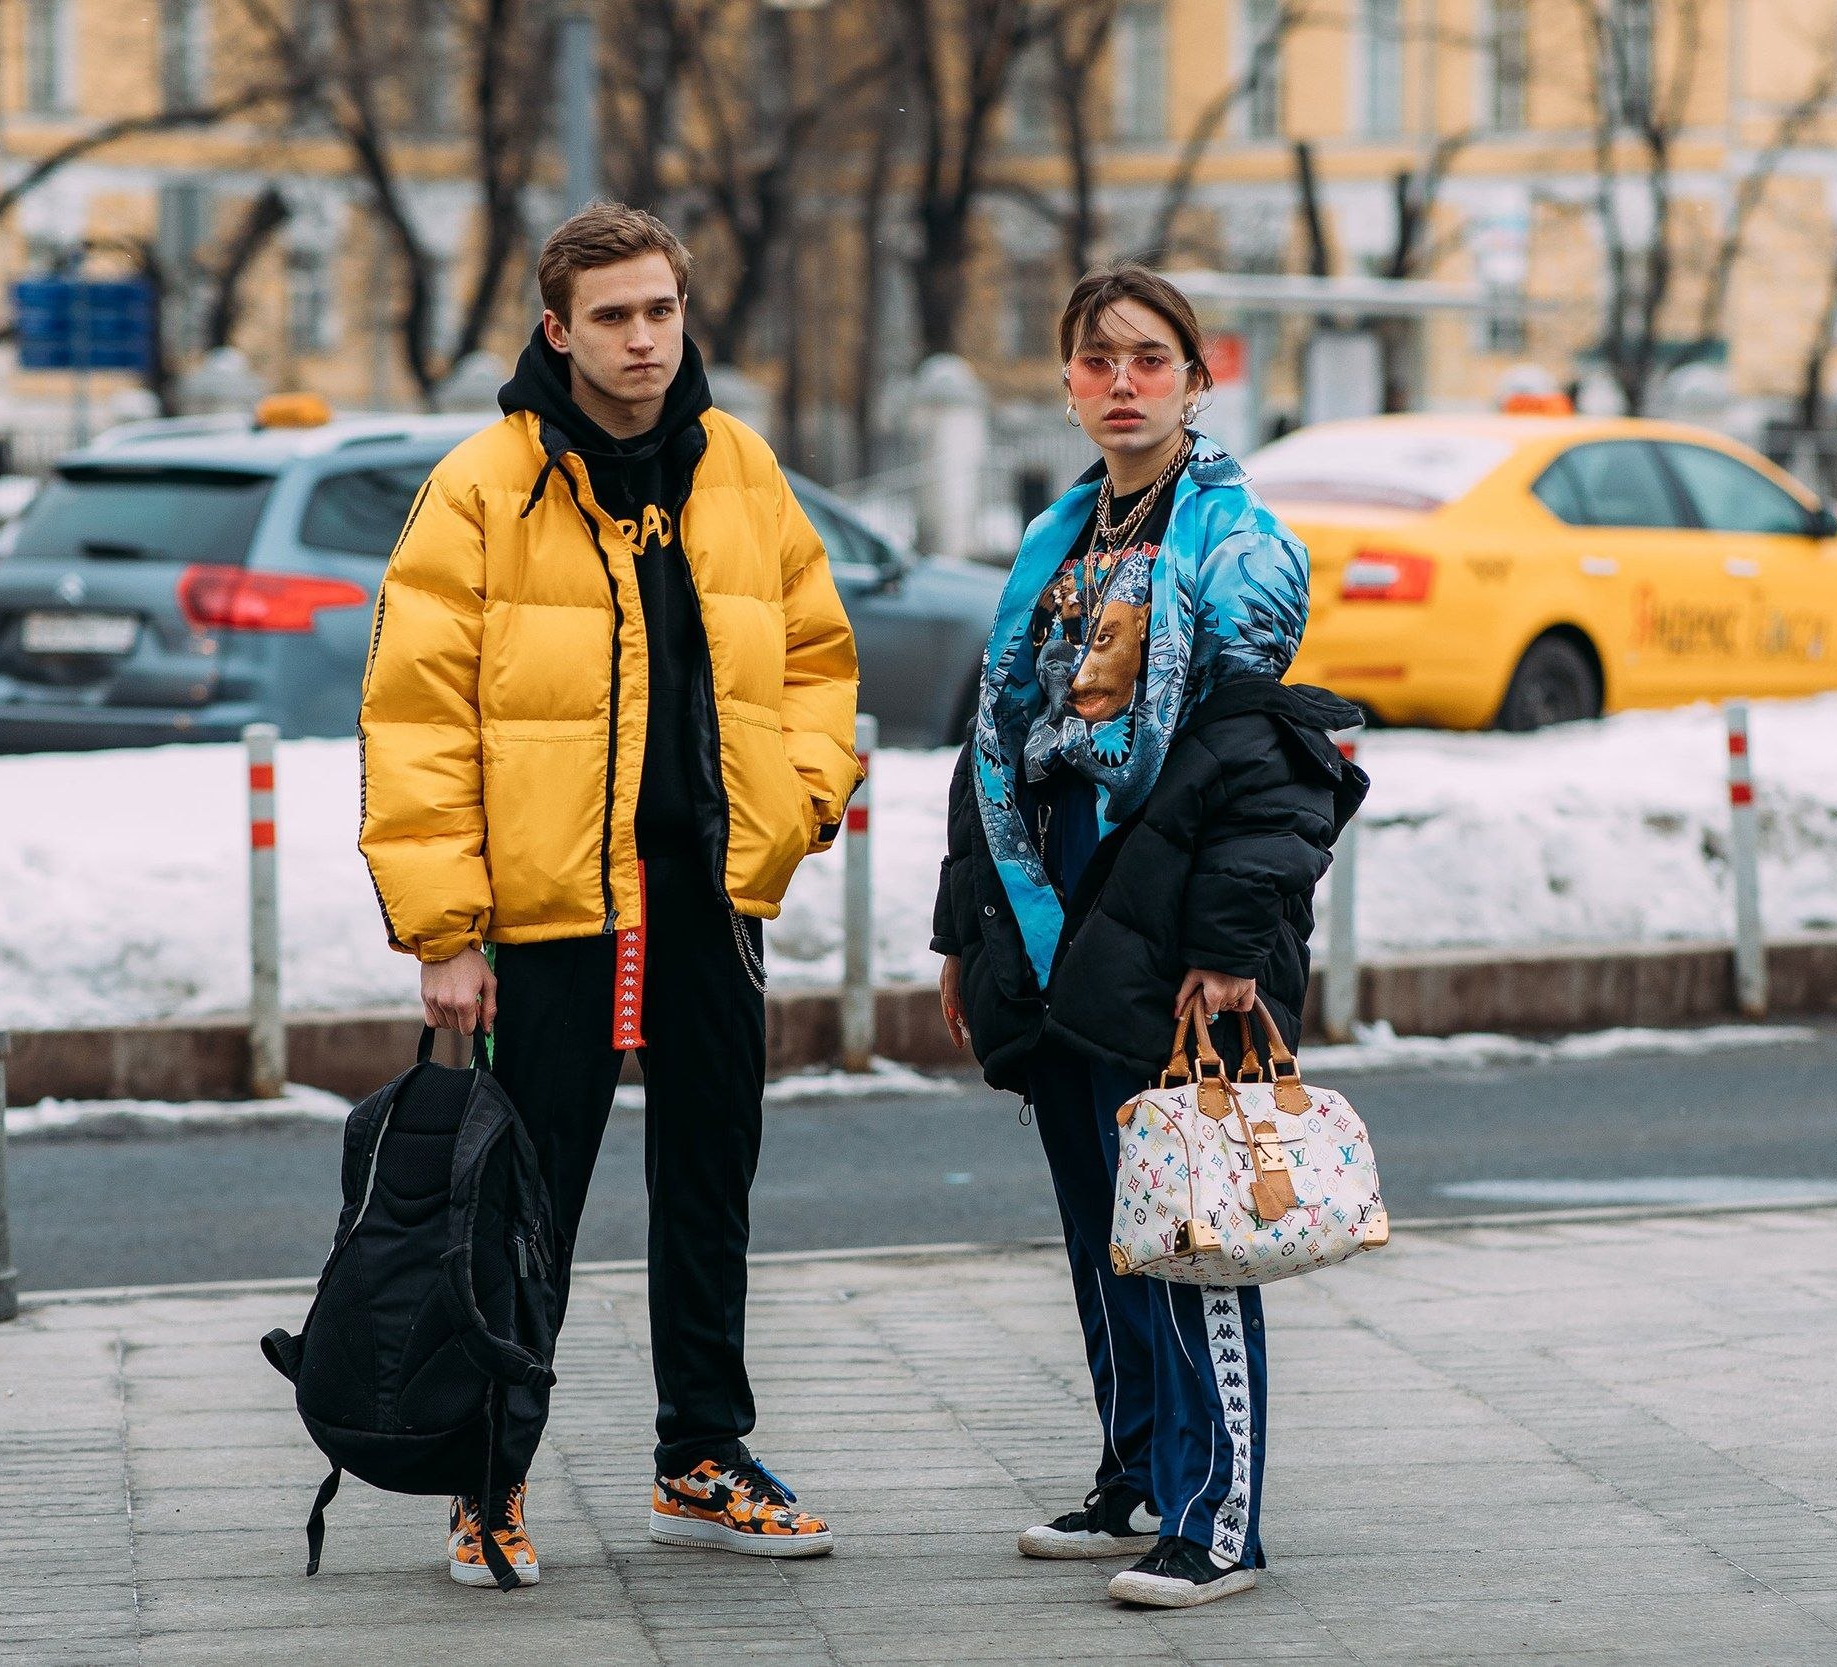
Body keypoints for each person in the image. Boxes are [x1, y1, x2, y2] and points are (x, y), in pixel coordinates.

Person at [358, 203, 861, 1588]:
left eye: (663, 311)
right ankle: (491, 1478)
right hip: (549, 915)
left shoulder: (741, 472)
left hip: (705, 901)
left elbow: (818, 655)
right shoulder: (483, 487)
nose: (645, 339)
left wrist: (798, 804)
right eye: (616, 316)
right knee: (526, 1204)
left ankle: (702, 1456)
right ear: (557, 328)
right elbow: (415, 718)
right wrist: (447, 928)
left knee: (710, 1187)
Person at [931, 264, 1366, 1609]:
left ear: (1197, 377)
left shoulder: (1236, 546)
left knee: (1189, 1215)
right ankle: (1138, 1471)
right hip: (1057, 904)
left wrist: (1233, 947)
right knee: (1101, 1220)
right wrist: (968, 926)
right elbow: (995, 743)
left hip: (1179, 917)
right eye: (1097, 359)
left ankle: (1217, 1518)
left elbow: (1272, 764)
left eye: (1150, 359)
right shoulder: (1057, 542)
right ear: (1066, 383)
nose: (1122, 382)